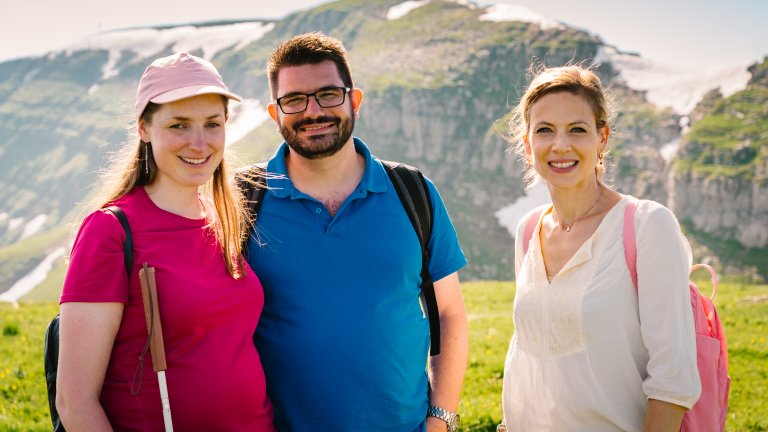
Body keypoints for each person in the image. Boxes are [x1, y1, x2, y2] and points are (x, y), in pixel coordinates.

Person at [241, 32, 468, 432]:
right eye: (294, 99)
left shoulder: (413, 191)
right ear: (275, 114)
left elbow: (448, 314)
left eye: (328, 94)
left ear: (354, 101)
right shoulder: (242, 198)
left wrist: (440, 420)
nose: (313, 111)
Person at [56, 52, 275, 431]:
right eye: (179, 125)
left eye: (212, 124)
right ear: (144, 128)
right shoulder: (110, 231)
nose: (199, 142)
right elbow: (74, 402)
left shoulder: (223, 217)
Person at [499, 64, 701, 431]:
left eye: (578, 129)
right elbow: (528, 356)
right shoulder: (529, 230)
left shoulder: (646, 225)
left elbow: (673, 381)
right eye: (545, 130)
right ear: (527, 145)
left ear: (602, 138)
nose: (561, 145)